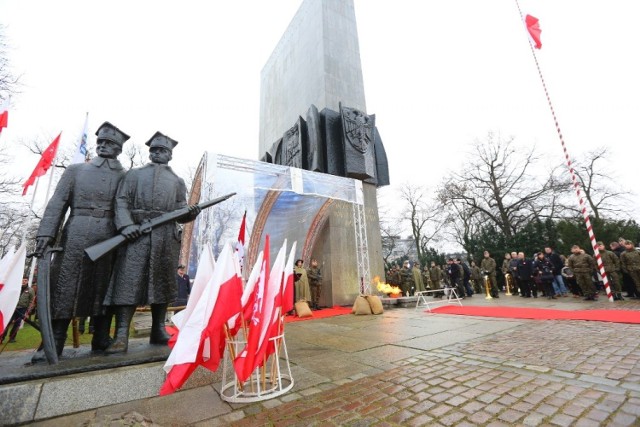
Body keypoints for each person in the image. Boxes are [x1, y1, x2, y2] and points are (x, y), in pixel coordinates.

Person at [32, 122, 130, 359]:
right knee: (66, 285)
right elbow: (57, 203)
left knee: (105, 286)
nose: (104, 146)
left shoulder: (127, 177)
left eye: (110, 143)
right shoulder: (75, 170)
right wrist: (46, 233)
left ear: (119, 148)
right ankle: (55, 338)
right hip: (76, 231)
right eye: (101, 142)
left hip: (111, 234)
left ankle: (101, 337)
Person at [103, 131, 201, 353]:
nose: (158, 153)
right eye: (155, 150)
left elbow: (180, 211)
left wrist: (191, 213)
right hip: (136, 234)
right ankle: (121, 335)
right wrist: (126, 225)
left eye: (163, 150)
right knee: (127, 283)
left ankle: (158, 329)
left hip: (165, 237)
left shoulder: (177, 181)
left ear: (170, 155)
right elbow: (121, 201)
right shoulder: (134, 175)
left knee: (163, 283)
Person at [0, 278, 35, 343]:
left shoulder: (30, 290)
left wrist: (29, 309)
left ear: (27, 281)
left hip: (22, 308)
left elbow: (32, 300)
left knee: (17, 323)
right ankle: (1, 338)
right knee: (8, 322)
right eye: (22, 280)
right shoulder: (17, 288)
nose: (23, 282)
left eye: (25, 280)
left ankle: (12, 338)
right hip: (13, 307)